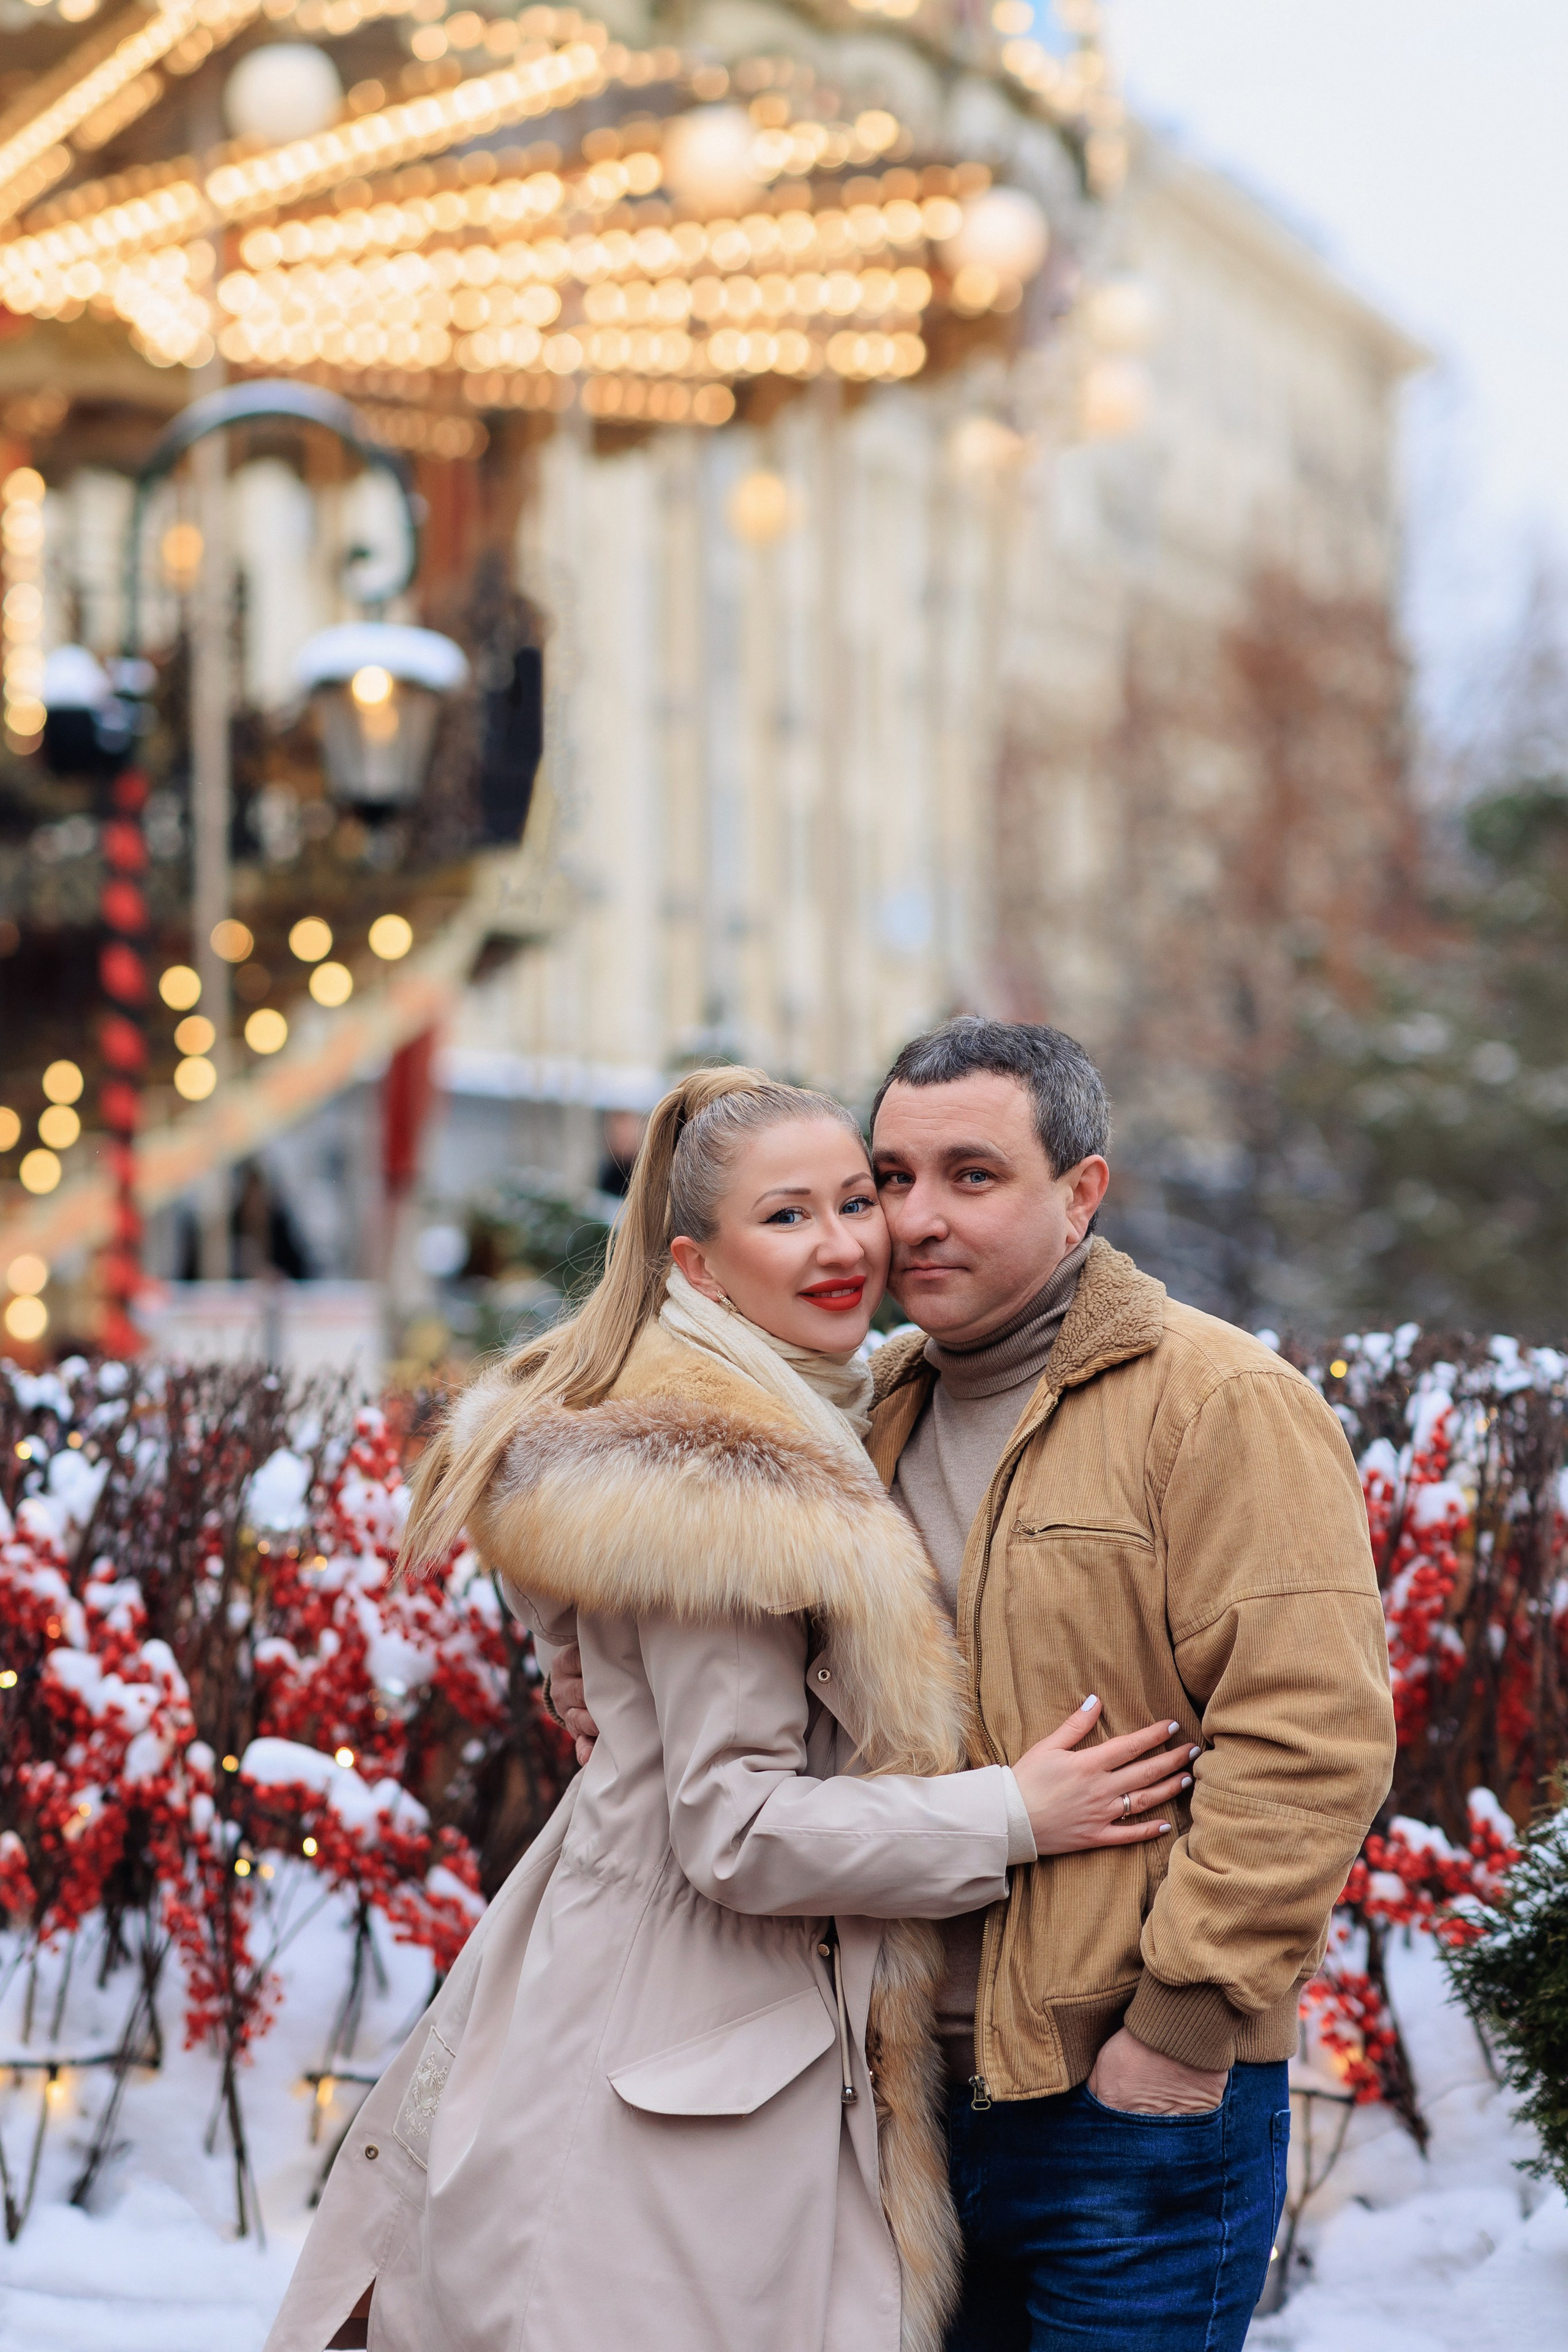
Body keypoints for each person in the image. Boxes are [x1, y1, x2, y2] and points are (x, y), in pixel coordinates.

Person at [263, 1067, 1197, 2352]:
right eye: (786, 1217)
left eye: (852, 1201)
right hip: (680, 2042)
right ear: (698, 1269)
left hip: (671, 2014)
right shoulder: (729, 1483)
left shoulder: (758, 1422)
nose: (843, 1244)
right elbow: (734, 1828)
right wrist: (1011, 1813)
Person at [553, 1019, 1398, 2351]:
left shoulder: (1216, 1400)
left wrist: (1176, 2031)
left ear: (1081, 1193)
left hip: (1124, 2110)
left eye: (972, 1175)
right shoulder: (870, 1407)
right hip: (894, 2113)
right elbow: (615, 1475)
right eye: (889, 1177)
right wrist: (587, 1654)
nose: (913, 1221)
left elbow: (1310, 1739)